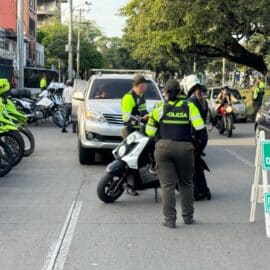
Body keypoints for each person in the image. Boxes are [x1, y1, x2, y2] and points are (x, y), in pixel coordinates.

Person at [145, 79, 205, 228]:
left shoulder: (159, 107)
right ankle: (188, 218)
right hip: (185, 148)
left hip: (163, 148)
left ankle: (170, 220)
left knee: (167, 186)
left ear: (165, 93)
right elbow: (200, 127)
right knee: (186, 183)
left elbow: (149, 131)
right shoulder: (189, 106)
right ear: (179, 92)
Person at [121, 74, 150, 196]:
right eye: (145, 85)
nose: (147, 87)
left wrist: (149, 116)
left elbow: (143, 111)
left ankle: (139, 181)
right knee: (130, 159)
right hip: (130, 131)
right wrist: (140, 119)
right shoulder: (128, 97)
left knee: (141, 157)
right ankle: (129, 185)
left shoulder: (142, 96)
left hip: (140, 132)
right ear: (139, 86)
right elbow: (126, 117)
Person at [186, 75, 211, 201]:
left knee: (193, 166)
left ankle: (197, 192)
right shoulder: (202, 100)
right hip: (202, 136)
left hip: (196, 137)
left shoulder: (191, 101)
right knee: (196, 164)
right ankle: (203, 190)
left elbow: (192, 123)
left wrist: (192, 138)